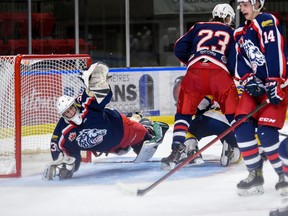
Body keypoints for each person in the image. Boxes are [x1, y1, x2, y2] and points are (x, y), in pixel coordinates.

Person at [43, 61, 169, 180]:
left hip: (123, 129)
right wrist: (65, 165)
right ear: (63, 115)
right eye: (67, 112)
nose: (70, 112)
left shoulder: (84, 104)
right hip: (111, 148)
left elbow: (105, 96)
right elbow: (57, 146)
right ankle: (134, 117)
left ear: (73, 104)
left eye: (70, 108)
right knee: (123, 151)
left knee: (145, 140)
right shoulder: (63, 131)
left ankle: (146, 124)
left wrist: (95, 87)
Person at [161, 3, 239, 170]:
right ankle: (245, 147)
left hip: (194, 73)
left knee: (183, 115)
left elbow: (179, 48)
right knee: (235, 116)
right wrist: (228, 73)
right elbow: (234, 60)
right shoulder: (232, 32)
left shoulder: (198, 26)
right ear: (228, 18)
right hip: (220, 75)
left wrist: (194, 61)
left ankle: (176, 150)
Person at [234, 0, 288, 196]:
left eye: (245, 4)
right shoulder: (239, 31)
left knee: (266, 132)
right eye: (240, 5)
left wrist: (275, 80)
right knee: (241, 125)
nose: (242, 8)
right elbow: (240, 59)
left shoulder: (266, 21)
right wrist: (247, 78)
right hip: (254, 87)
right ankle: (254, 174)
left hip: (276, 84)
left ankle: (284, 175)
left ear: (257, 3)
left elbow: (276, 52)